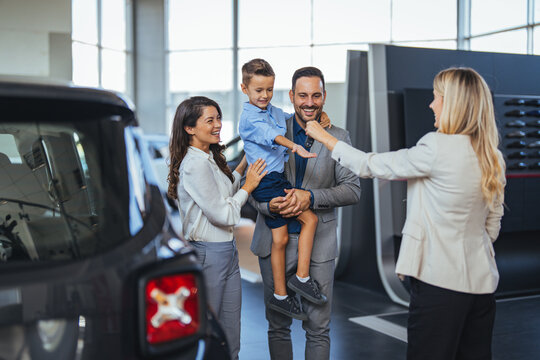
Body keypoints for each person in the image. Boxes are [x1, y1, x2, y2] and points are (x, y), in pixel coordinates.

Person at [305, 67, 506, 360]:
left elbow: (369, 165)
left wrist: (326, 138)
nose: (431, 104)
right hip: (482, 285)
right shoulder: (493, 155)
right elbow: (492, 226)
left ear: (452, 103)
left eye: (437, 97)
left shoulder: (437, 146)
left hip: (440, 286)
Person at [250, 66, 361, 360]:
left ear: (324, 96)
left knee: (318, 329)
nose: (309, 102)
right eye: (302, 95)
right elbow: (252, 183)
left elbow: (352, 189)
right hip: (273, 242)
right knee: (277, 326)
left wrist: (310, 197)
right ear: (291, 96)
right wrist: (266, 205)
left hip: (319, 247)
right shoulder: (272, 130)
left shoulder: (338, 137)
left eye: (315, 95)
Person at [167, 96, 267, 360]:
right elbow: (225, 214)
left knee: (231, 330)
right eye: (209, 120)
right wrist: (249, 186)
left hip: (226, 251)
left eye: (218, 118)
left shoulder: (208, 157)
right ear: (189, 128)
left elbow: (225, 189)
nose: (218, 125)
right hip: (209, 254)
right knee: (210, 332)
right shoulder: (195, 164)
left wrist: (246, 162)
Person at [239, 58, 331, 320]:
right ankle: (301, 278)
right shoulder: (248, 119)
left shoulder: (275, 111)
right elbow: (271, 135)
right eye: (258, 90)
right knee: (310, 219)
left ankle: (281, 295)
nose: (265, 95)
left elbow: (294, 118)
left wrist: (320, 116)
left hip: (275, 179)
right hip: (267, 182)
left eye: (269, 89)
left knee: (279, 240)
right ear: (244, 89)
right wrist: (293, 146)